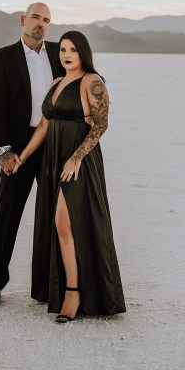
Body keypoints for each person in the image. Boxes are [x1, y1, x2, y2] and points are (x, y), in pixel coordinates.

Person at [16, 30, 125, 322]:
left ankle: (74, 293)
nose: (66, 55)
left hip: (79, 161)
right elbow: (44, 126)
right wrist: (22, 158)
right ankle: (66, 288)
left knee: (64, 224)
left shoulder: (93, 82)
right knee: (59, 227)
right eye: (63, 49)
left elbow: (101, 126)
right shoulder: (55, 83)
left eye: (73, 50)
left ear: (83, 53)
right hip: (52, 160)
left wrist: (76, 157)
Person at [0, 3, 63, 307]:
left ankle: (54, 283)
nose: (40, 24)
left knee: (56, 214)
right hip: (18, 149)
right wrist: (4, 150)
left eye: (46, 20)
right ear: (23, 20)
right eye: (35, 17)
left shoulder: (58, 54)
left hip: (53, 145)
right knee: (8, 213)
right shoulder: (4, 57)